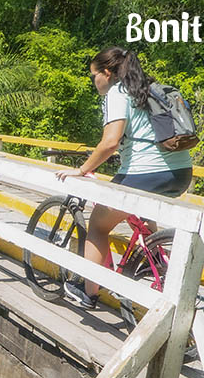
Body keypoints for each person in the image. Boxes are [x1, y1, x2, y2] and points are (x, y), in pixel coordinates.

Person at [56, 47, 193, 309]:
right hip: (180, 173)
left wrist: (82, 169)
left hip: (146, 173)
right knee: (137, 209)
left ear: (107, 73)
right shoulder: (152, 88)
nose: (94, 81)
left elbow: (110, 143)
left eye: (94, 75)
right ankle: (156, 259)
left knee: (98, 225)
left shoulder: (118, 92)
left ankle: (88, 293)